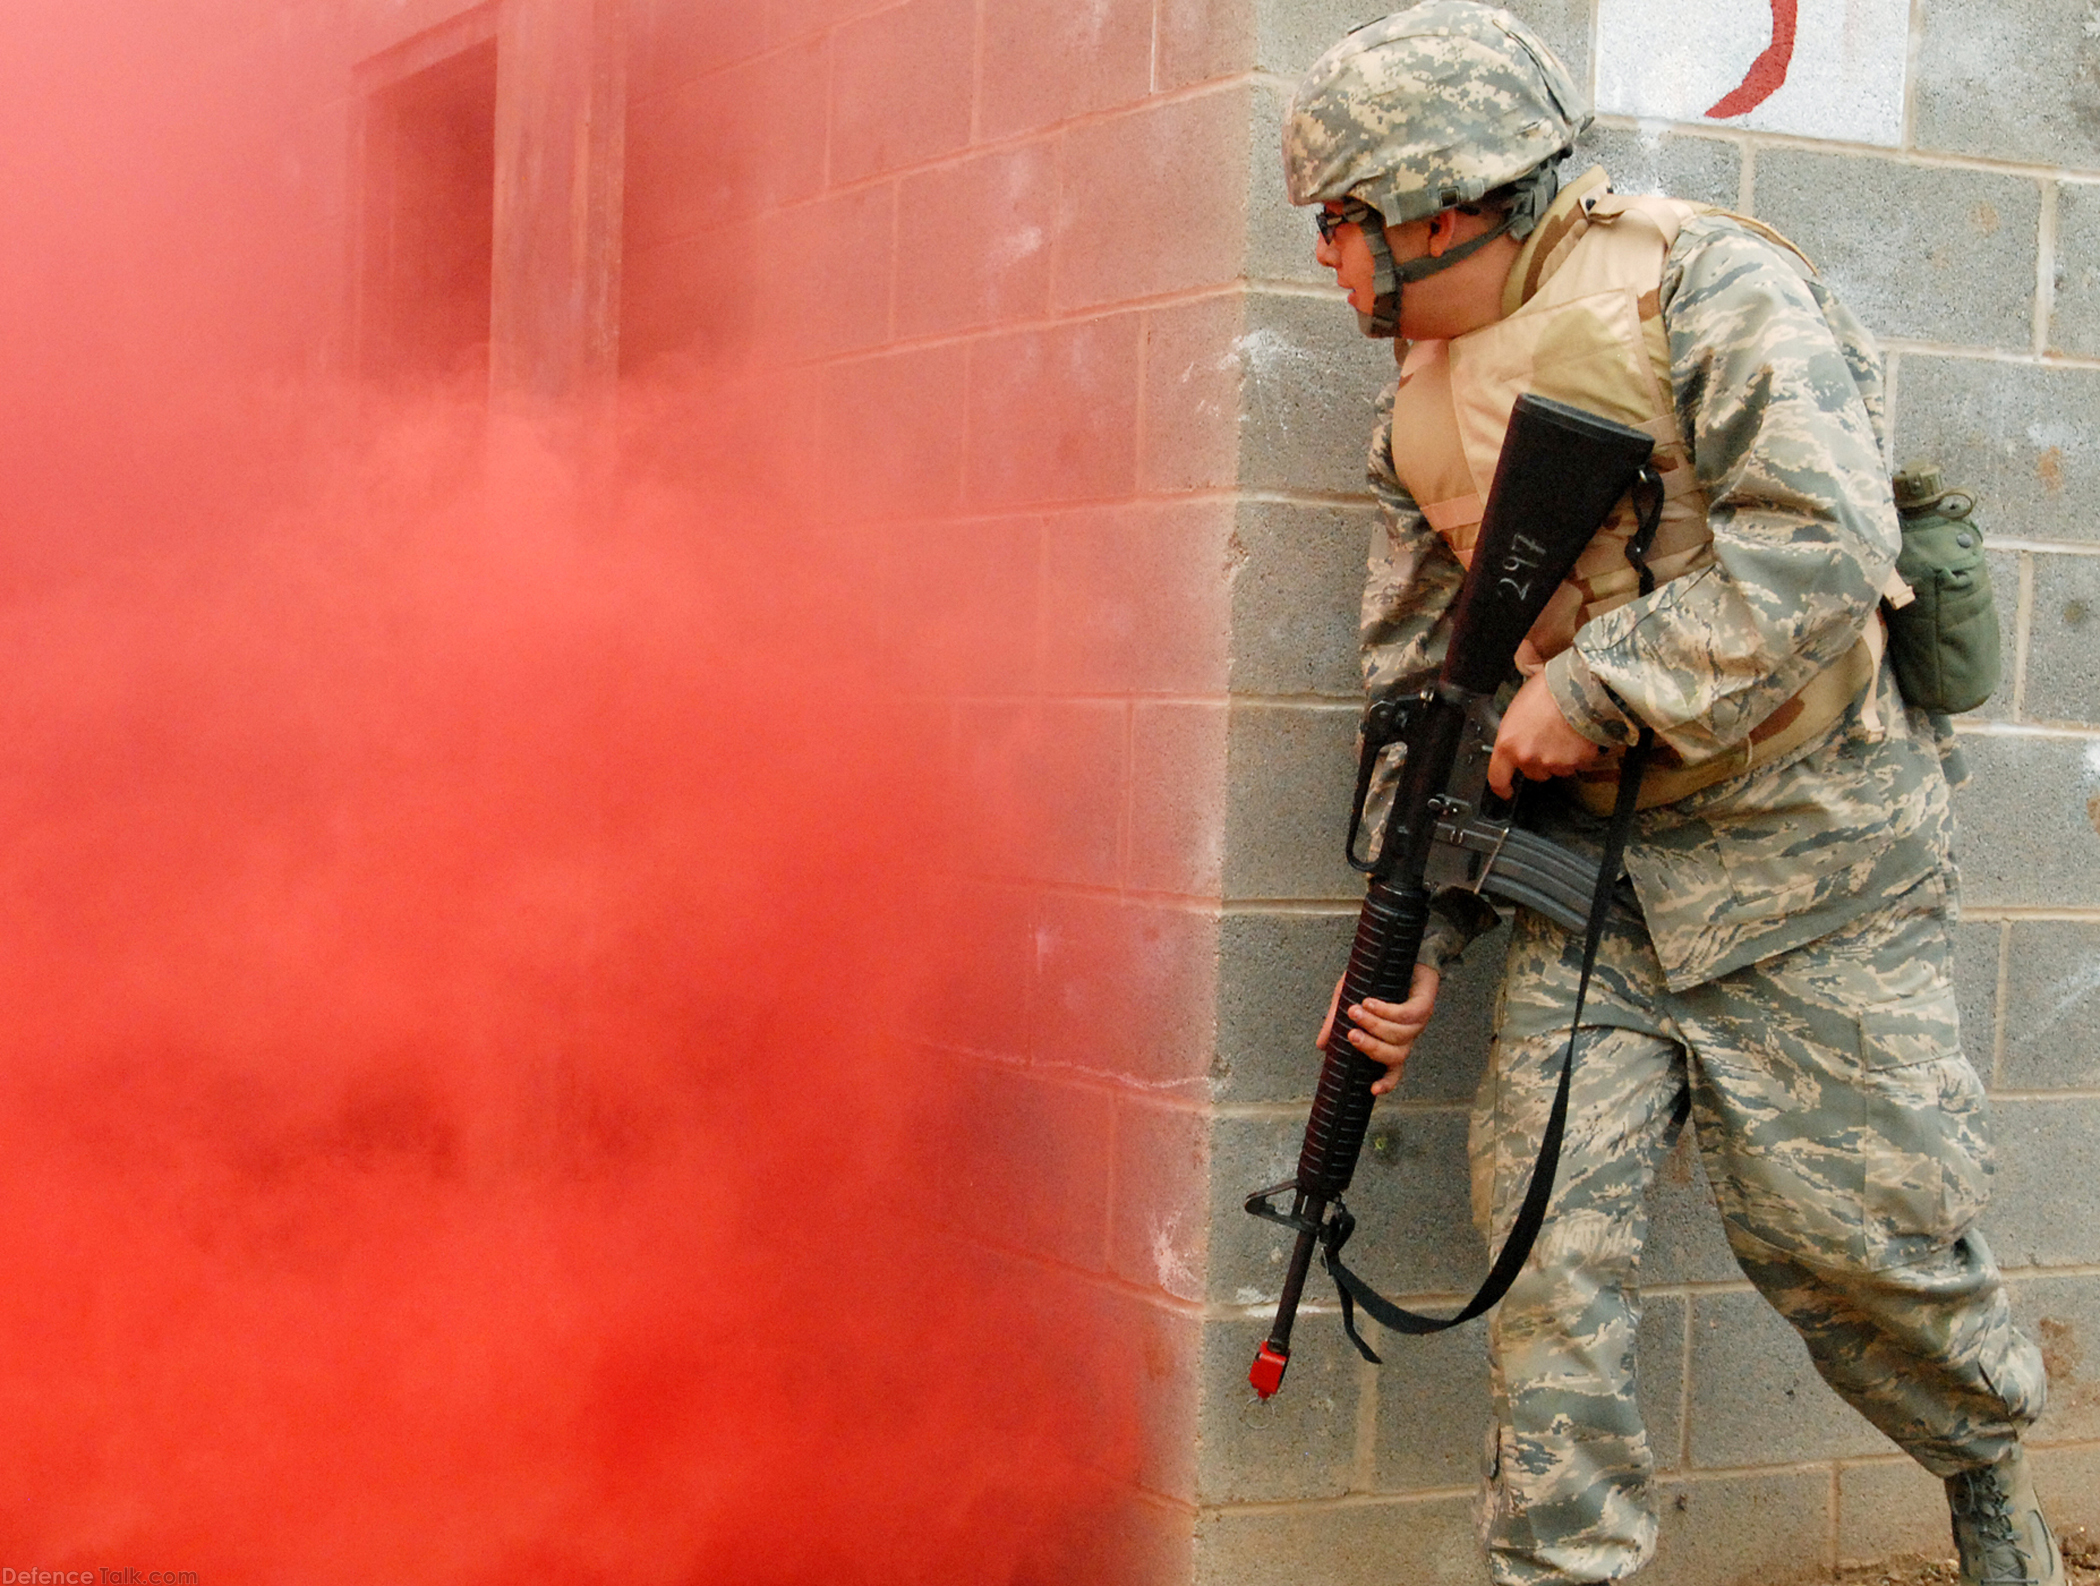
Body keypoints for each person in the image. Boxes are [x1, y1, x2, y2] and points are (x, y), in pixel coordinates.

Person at [1286, 6, 2060, 1584]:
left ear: (1439, 204)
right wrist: (1413, 928)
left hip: (1818, 870)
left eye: (1340, 221)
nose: (1324, 259)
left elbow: (1826, 545)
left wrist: (1602, 681)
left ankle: (1986, 1472)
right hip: (1594, 900)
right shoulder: (1418, 406)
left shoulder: (1709, 282)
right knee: (1547, 1275)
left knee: (1861, 1259)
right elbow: (1423, 696)